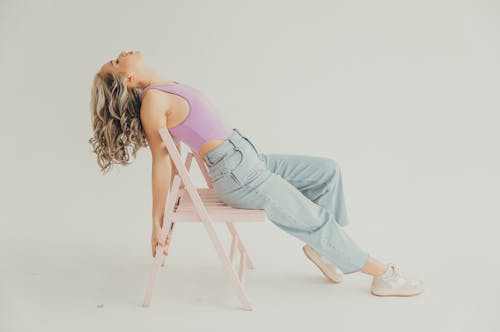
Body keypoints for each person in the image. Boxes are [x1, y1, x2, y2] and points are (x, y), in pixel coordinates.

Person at [89, 50, 424, 297]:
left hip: (249, 159)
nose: (120, 55)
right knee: (314, 219)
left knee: (327, 172)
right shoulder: (153, 101)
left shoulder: (164, 86)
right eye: (116, 63)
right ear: (128, 80)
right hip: (238, 175)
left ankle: (325, 249)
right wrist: (156, 221)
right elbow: (161, 162)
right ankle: (381, 275)